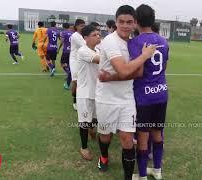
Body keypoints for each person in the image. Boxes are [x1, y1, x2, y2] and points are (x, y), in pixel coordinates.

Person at [95, 5, 156, 180]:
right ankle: (104, 156)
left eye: (129, 22)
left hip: (127, 99)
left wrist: (111, 77)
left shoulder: (134, 42)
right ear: (116, 22)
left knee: (127, 140)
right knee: (105, 136)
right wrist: (144, 56)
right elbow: (123, 70)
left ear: (135, 23)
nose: (125, 25)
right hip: (106, 99)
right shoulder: (110, 41)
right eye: (121, 21)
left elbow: (138, 73)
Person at [128, 5, 169, 180]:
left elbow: (136, 69)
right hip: (161, 93)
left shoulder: (135, 42)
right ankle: (157, 170)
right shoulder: (164, 41)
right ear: (153, 20)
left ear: (136, 21)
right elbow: (164, 66)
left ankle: (143, 175)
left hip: (144, 96)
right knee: (158, 133)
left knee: (143, 138)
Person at [76, 24, 101, 161]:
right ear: (85, 38)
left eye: (98, 34)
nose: (98, 36)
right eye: (94, 35)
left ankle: (92, 129)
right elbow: (100, 60)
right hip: (85, 93)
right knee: (84, 122)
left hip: (97, 92)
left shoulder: (97, 49)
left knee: (95, 118)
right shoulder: (83, 51)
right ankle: (84, 147)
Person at [69, 19, 86, 110]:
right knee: (75, 81)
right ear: (76, 27)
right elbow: (85, 45)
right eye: (81, 26)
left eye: (84, 25)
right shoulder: (75, 36)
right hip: (75, 61)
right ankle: (74, 101)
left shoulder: (84, 35)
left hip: (83, 61)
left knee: (82, 81)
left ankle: (81, 100)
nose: (83, 27)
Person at [58, 23, 73, 89]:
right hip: (71, 51)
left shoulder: (63, 32)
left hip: (65, 51)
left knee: (62, 64)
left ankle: (69, 74)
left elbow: (62, 41)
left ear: (63, 27)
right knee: (69, 64)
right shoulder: (72, 33)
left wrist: (59, 48)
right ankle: (69, 74)